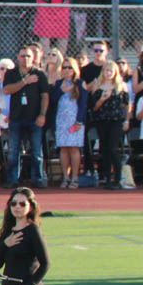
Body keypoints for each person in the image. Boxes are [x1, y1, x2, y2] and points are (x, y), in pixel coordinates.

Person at [3, 46, 50, 189]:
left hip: (34, 118)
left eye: (29, 56)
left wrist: (42, 114)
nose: (26, 59)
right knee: (13, 151)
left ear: (33, 58)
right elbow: (6, 90)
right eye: (23, 56)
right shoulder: (11, 74)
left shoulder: (39, 74)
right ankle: (13, 179)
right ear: (18, 58)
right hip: (16, 118)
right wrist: (25, 81)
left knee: (36, 151)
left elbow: (45, 96)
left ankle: (37, 178)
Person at [88, 61, 130, 190]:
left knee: (113, 148)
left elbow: (127, 105)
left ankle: (117, 178)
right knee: (104, 149)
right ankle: (106, 178)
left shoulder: (121, 86)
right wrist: (102, 99)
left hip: (116, 120)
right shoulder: (97, 85)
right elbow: (93, 108)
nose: (108, 73)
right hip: (101, 119)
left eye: (111, 71)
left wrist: (127, 120)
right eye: (106, 70)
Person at [50, 57, 86, 189]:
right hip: (61, 120)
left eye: (69, 67)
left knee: (74, 149)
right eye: (64, 67)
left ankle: (75, 177)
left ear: (74, 69)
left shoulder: (80, 83)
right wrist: (61, 91)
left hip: (75, 120)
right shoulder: (58, 83)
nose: (67, 70)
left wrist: (79, 121)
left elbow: (83, 104)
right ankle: (65, 176)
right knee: (64, 149)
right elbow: (52, 100)